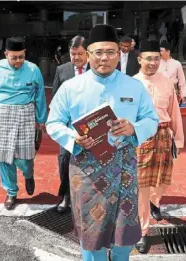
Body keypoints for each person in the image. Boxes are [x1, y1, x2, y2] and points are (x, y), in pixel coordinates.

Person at [46, 24, 159, 261]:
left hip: (124, 168)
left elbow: (151, 119)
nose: (104, 58)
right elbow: (53, 122)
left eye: (110, 52)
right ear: (88, 55)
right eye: (98, 52)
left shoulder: (134, 86)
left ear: (120, 54)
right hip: (86, 170)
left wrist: (134, 128)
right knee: (91, 233)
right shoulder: (71, 88)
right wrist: (72, 138)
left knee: (124, 232)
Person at [132, 40, 184, 254]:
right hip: (140, 138)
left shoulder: (166, 82)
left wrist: (178, 140)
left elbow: (174, 112)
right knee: (141, 187)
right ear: (139, 60)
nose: (153, 62)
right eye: (148, 58)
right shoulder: (131, 84)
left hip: (163, 135)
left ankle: (156, 200)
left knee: (163, 182)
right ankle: (142, 232)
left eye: (156, 58)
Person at [0, 37, 47, 210]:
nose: (18, 61)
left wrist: (41, 119)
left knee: (26, 157)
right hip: (1, 116)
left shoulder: (33, 69)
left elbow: (40, 95)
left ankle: (28, 174)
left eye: (21, 57)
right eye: (14, 57)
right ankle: (11, 192)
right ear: (6, 54)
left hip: (25, 114)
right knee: (3, 158)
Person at [51, 35, 88, 213]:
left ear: (88, 53)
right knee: (64, 159)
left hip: (91, 124)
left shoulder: (97, 71)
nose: (76, 58)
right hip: (68, 126)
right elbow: (56, 99)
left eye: (80, 54)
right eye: (73, 54)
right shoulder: (62, 70)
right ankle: (66, 196)